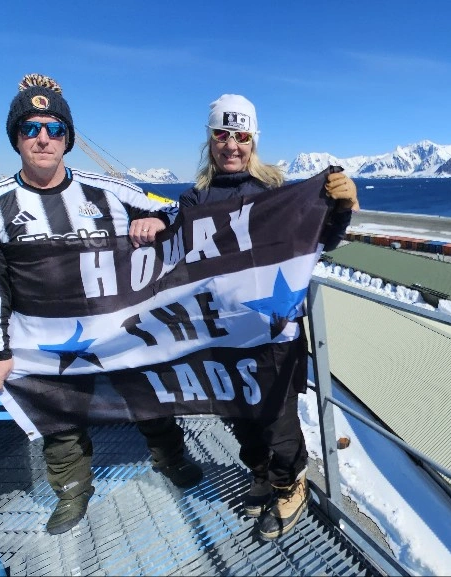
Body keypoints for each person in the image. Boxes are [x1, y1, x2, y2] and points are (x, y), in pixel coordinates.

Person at [0, 74, 203, 536]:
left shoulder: (106, 190)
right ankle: (72, 490)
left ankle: (172, 458)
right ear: (16, 138)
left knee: (151, 397)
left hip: (118, 331)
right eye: (31, 128)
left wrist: (153, 217)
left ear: (68, 138)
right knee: (59, 422)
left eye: (54, 128)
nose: (43, 138)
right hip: (41, 341)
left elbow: (175, 211)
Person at [179, 94, 358, 540]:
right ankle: (261, 473)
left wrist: (340, 208)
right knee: (237, 414)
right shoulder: (194, 201)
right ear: (210, 139)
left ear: (253, 140)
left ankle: (289, 484)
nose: (231, 145)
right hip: (219, 333)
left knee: (277, 419)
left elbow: (319, 240)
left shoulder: (276, 196)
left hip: (272, 334)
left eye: (241, 136)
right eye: (222, 134)